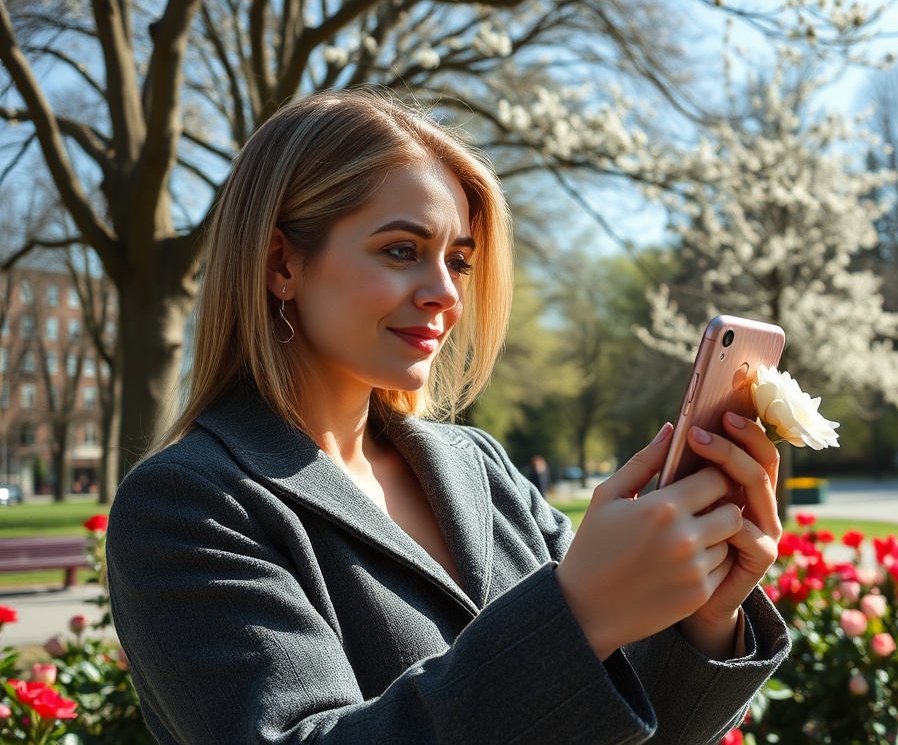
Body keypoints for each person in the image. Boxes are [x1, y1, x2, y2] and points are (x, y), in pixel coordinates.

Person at [106, 88, 790, 745]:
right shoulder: (188, 504)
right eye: (401, 250)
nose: (444, 295)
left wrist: (704, 617)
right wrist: (580, 616)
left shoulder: (479, 467)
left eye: (458, 261)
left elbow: (621, 725)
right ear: (281, 262)